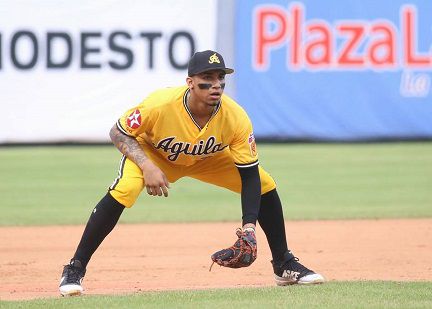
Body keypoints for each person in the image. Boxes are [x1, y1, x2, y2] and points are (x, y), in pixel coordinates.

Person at [59, 50, 325, 296]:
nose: (216, 85)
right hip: (154, 154)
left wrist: (249, 226)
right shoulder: (159, 104)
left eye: (220, 78)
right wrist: (147, 166)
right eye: (206, 79)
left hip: (207, 159)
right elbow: (118, 132)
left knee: (266, 184)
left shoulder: (236, 117)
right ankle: (75, 267)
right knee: (125, 189)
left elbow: (250, 175)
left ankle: (284, 264)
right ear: (190, 83)